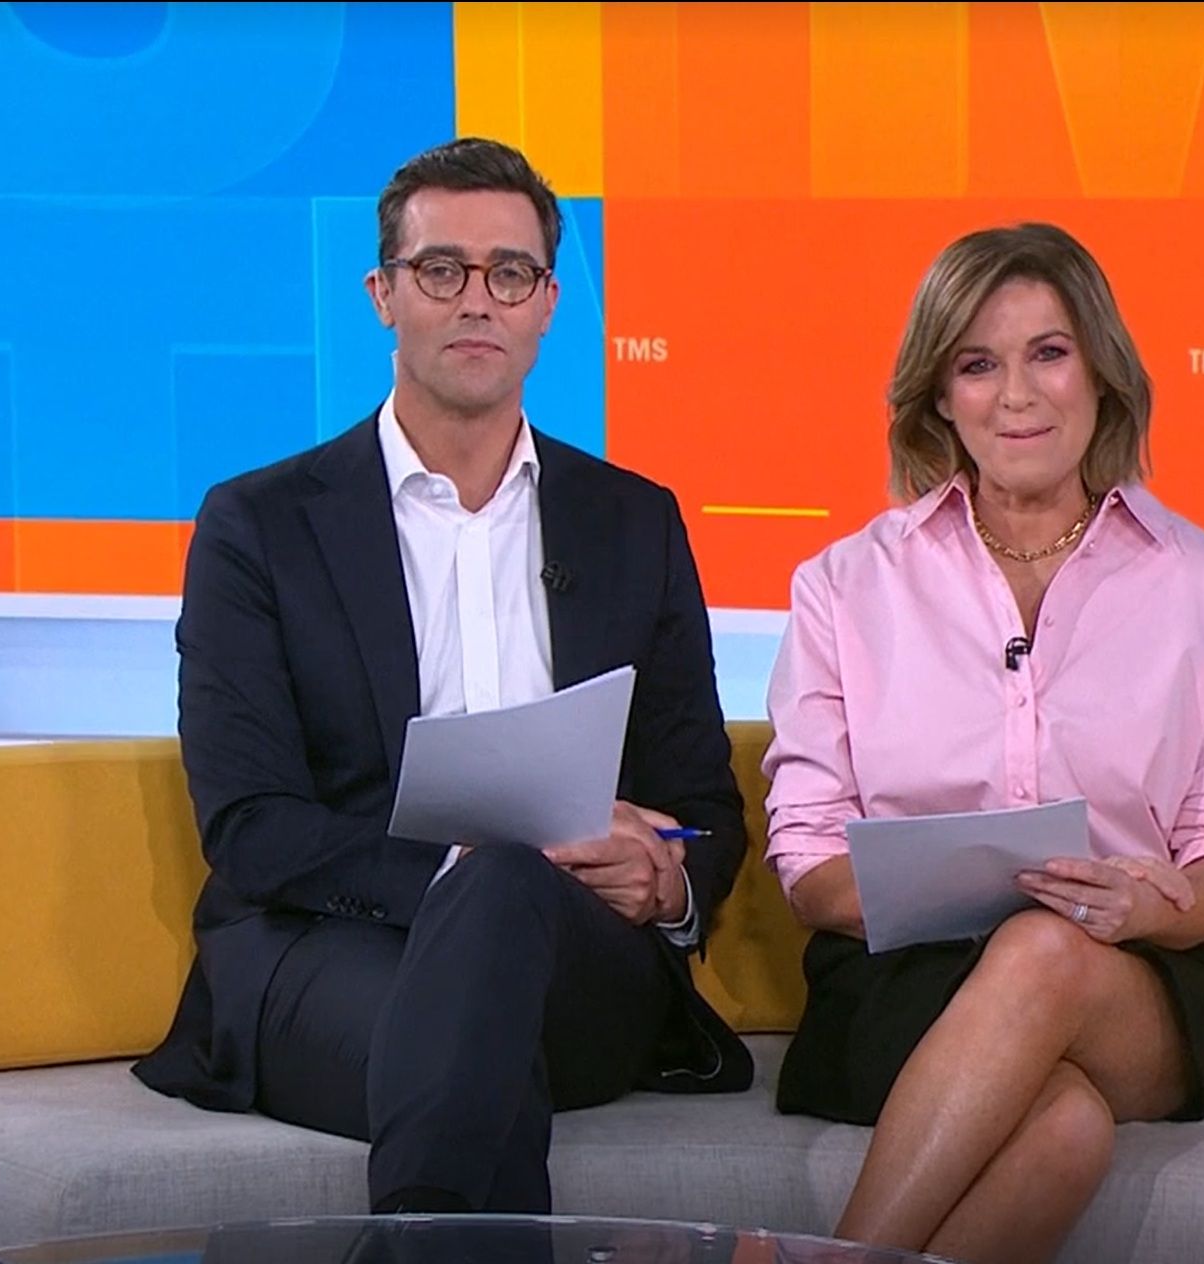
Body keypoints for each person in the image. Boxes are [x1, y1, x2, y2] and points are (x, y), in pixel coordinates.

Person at [133, 137, 753, 1216]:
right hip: (325, 953)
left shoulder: (632, 523)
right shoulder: (260, 526)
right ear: (383, 295)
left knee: (503, 915)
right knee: (478, 985)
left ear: (548, 303)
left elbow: (702, 807)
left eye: (509, 273)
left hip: (575, 962)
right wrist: (461, 867)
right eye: (440, 270)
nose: (477, 300)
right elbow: (250, 825)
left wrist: (666, 882)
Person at [761, 223, 1204, 1264]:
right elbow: (809, 866)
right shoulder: (845, 586)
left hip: (1142, 976)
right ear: (938, 397)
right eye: (976, 364)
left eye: (1048, 353)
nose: (1016, 395)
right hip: (903, 977)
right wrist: (951, 888)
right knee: (1063, 1131)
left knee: (1044, 949)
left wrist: (1150, 905)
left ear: (1100, 371)